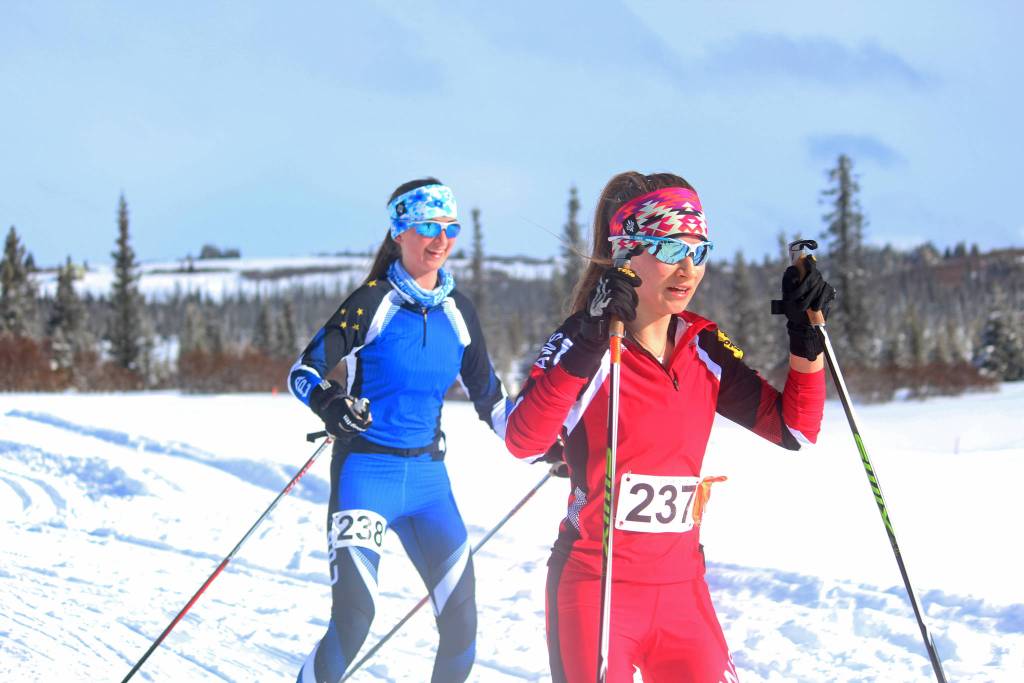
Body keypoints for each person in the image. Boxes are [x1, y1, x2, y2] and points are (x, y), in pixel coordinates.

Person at [504, 171, 836, 682]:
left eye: (698, 251)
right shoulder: (585, 340)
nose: (687, 268)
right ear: (626, 252)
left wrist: (804, 334)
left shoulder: (703, 345)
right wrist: (591, 338)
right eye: (668, 248)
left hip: (683, 590)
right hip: (595, 589)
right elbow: (524, 442)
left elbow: (796, 430)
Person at [288, 178, 512, 683]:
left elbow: (492, 400)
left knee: (462, 624)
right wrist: (330, 404)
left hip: (430, 484)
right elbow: (303, 372)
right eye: (428, 226)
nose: (441, 239)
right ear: (399, 232)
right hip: (366, 475)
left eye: (450, 228)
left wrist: (546, 444)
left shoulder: (459, 311)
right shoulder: (372, 302)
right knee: (354, 619)